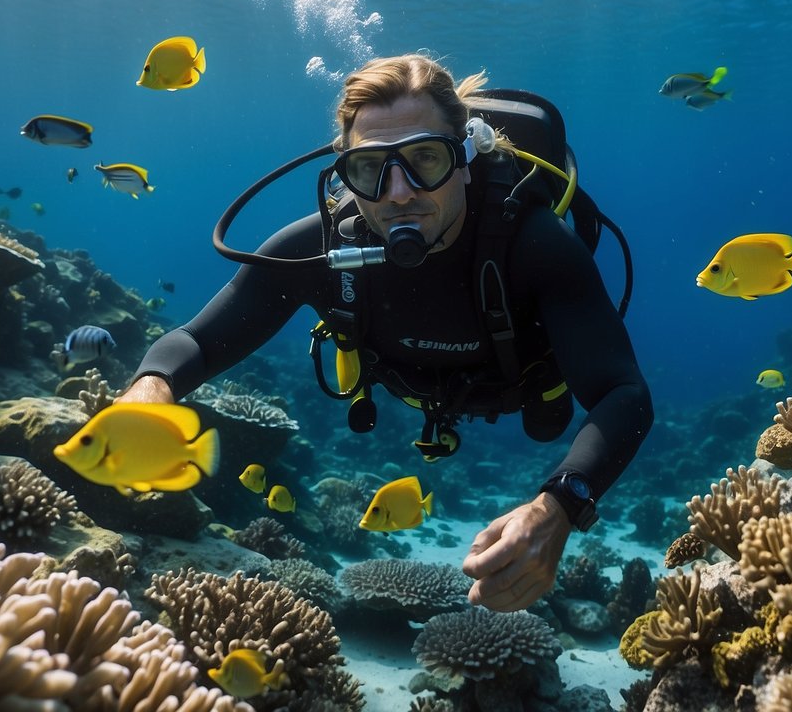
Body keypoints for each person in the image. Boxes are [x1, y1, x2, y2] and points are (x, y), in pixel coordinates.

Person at [117, 53, 654, 612]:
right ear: (345, 172)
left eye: (425, 158)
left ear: (466, 158)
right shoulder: (325, 250)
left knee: (551, 425)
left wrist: (559, 506)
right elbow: (197, 341)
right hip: (409, 380)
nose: (399, 192)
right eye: (371, 168)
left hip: (520, 381)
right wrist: (149, 390)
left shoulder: (535, 245)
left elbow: (624, 393)